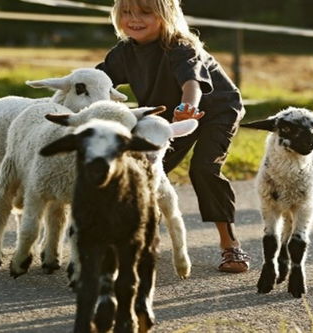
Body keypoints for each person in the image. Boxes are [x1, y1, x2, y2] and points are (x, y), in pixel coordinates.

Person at [96, 0, 250, 273]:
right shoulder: (123, 53)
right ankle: (137, 238)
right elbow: (95, 82)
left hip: (215, 110)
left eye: (145, 12)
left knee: (204, 168)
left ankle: (230, 244)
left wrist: (188, 107)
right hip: (170, 116)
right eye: (127, 12)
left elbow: (191, 82)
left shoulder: (181, 45)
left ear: (166, 15)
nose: (135, 19)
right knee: (147, 170)